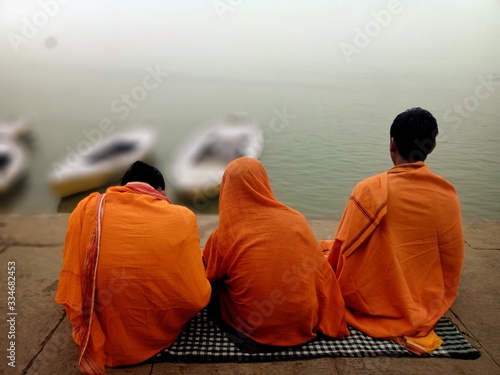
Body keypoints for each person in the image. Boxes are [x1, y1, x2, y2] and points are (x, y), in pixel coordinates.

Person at [321, 107, 464, 354]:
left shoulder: (368, 190)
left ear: (392, 144)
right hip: (425, 296)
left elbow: (342, 251)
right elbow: (451, 257)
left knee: (323, 251)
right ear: (432, 147)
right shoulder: (447, 194)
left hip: (368, 299)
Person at [55, 161, 211, 374]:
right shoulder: (183, 216)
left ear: (124, 186)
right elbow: (195, 295)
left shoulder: (87, 207)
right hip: (158, 329)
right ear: (159, 190)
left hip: (98, 327)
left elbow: (74, 264)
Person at [203, 157, 347, 350]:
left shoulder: (225, 234)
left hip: (250, 334)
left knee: (214, 281)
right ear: (264, 182)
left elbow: (207, 276)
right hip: (304, 326)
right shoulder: (297, 220)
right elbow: (321, 274)